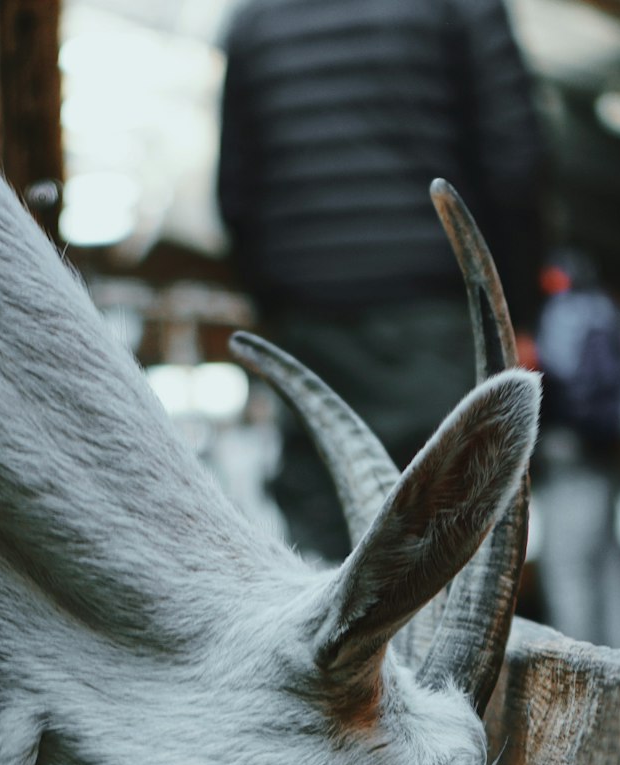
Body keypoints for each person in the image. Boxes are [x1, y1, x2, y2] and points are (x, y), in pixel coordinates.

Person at [217, 0, 545, 560]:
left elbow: (234, 195)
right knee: (445, 546)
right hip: (433, 322)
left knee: (328, 562)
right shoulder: (461, 10)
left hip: (309, 334)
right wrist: (519, 313)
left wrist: (277, 302)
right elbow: (516, 165)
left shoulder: (255, 20)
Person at [532, 252, 620, 650]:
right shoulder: (605, 309)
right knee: (611, 568)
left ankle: (583, 676)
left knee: (570, 572)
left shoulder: (562, 315)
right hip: (606, 452)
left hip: (571, 455)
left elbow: (556, 378)